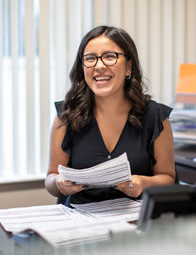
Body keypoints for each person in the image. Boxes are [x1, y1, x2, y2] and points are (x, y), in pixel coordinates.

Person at [45, 25, 175, 204]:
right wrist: (59, 183)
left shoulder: (155, 116)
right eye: (90, 59)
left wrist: (143, 183)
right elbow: (51, 178)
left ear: (129, 67)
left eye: (109, 57)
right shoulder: (66, 115)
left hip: (134, 222)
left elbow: (167, 177)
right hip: (79, 221)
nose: (99, 66)